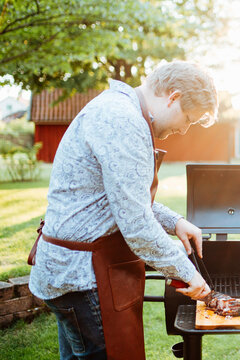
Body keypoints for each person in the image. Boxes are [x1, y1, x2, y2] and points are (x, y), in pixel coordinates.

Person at [28, 60, 218, 360]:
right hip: (83, 278)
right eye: (189, 119)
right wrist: (187, 272)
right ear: (173, 97)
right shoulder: (122, 120)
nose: (184, 129)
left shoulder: (119, 109)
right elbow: (137, 225)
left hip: (72, 272)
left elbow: (121, 196)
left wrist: (175, 221)